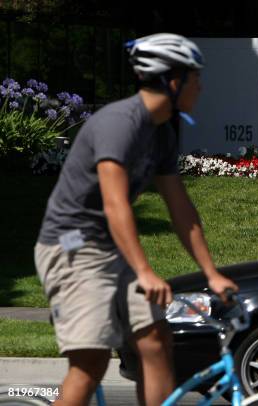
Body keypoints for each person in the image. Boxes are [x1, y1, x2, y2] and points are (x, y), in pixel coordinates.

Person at [34, 33, 238, 406]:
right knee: (90, 362)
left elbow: (181, 208)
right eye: (196, 78)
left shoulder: (161, 134)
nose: (201, 86)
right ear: (172, 81)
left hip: (111, 248)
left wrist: (211, 272)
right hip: (71, 247)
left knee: (155, 338)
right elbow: (116, 205)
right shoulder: (119, 123)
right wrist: (144, 271)